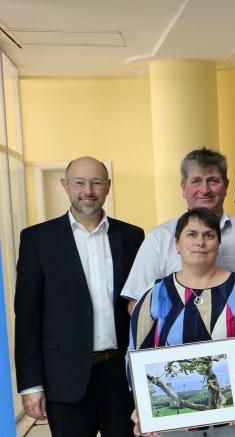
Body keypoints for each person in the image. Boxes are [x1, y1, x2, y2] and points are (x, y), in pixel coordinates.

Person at [14, 156, 144, 436]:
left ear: (108, 186)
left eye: (96, 183)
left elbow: (141, 308)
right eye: (79, 183)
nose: (88, 191)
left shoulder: (132, 236)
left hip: (120, 376)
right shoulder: (37, 240)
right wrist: (31, 385)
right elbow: (26, 317)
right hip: (63, 377)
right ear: (65, 185)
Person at [128, 208, 235, 436]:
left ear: (218, 244)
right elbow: (135, 353)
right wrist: (143, 405)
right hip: (174, 426)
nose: (200, 242)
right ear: (177, 244)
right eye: (191, 234)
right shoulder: (156, 294)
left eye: (209, 235)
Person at [122, 148, 235, 313]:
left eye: (213, 181)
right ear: (183, 187)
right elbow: (136, 302)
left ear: (226, 185)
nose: (205, 190)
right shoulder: (159, 238)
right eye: (196, 181)